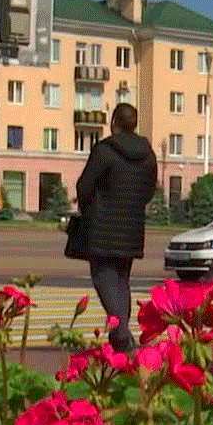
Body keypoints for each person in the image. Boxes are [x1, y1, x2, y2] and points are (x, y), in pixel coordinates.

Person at [74, 103, 158, 353]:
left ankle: (121, 334)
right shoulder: (148, 154)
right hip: (132, 227)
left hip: (102, 226)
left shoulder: (104, 150)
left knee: (103, 278)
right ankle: (120, 335)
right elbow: (149, 189)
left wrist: (89, 207)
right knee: (121, 280)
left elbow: (84, 186)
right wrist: (133, 206)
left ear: (113, 123)